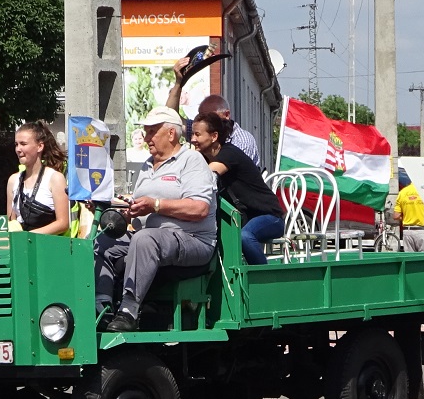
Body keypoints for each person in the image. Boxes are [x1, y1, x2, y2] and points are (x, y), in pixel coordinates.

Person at [96, 105, 217, 333]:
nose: (146, 137)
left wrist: (156, 205)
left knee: (145, 239)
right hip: (153, 238)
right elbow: (141, 205)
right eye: (146, 132)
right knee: (101, 242)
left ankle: (129, 313)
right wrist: (117, 206)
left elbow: (200, 208)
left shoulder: (191, 160)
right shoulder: (147, 165)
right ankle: (102, 307)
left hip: (193, 239)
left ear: (171, 133)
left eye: (152, 131)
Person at [189, 111, 283, 264]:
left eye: (197, 135)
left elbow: (205, 177)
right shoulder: (205, 158)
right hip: (242, 220)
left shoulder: (229, 154)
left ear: (214, 136)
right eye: (192, 134)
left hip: (270, 218)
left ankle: (261, 277)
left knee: (245, 236)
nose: (193, 139)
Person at [165, 53, 261, 167]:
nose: (204, 122)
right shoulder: (204, 132)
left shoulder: (242, 141)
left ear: (226, 115)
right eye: (201, 117)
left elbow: (219, 174)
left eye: (210, 118)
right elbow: (171, 117)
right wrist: (178, 83)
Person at [6, 122, 70, 235]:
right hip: (20, 247)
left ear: (40, 146)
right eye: (16, 144)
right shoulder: (13, 180)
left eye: (23, 144)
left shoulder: (55, 178)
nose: (18, 149)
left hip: (47, 247)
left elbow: (63, 223)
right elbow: (11, 222)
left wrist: (28, 237)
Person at [392, 170, 424, 252]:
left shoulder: (403, 192)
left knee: (410, 262)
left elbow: (396, 216)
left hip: (408, 232)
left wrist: (408, 217)